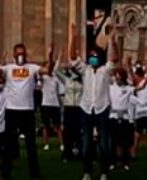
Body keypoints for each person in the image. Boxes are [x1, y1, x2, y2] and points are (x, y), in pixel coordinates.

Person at [61, 25, 114, 180]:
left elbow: (114, 59)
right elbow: (72, 57)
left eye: (95, 56)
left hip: (102, 108)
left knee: (104, 143)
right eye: (91, 55)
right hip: (86, 108)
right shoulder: (86, 70)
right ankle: (87, 171)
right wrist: (74, 37)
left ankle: (104, 171)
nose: (93, 58)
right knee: (86, 143)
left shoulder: (106, 70)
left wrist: (112, 40)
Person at [0, 43, 42, 178]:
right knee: (9, 143)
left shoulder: (32, 68)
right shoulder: (8, 68)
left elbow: (47, 70)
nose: (20, 55)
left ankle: (34, 173)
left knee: (30, 144)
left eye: (22, 53)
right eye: (18, 53)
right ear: (14, 54)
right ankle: (6, 172)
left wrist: (51, 56)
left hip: (27, 110)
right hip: (12, 109)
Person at [108, 67, 136, 171]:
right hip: (113, 116)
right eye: (116, 77)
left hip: (125, 117)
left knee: (125, 142)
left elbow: (138, 87)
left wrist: (146, 78)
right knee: (113, 142)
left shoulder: (128, 88)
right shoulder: (110, 88)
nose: (118, 79)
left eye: (120, 77)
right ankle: (112, 162)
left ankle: (125, 162)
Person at [38, 63, 63, 152]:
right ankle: (46, 144)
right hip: (45, 104)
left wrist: (60, 103)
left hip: (55, 104)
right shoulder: (44, 78)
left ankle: (61, 144)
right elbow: (39, 75)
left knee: (58, 126)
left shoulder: (56, 79)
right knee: (45, 126)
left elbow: (58, 92)